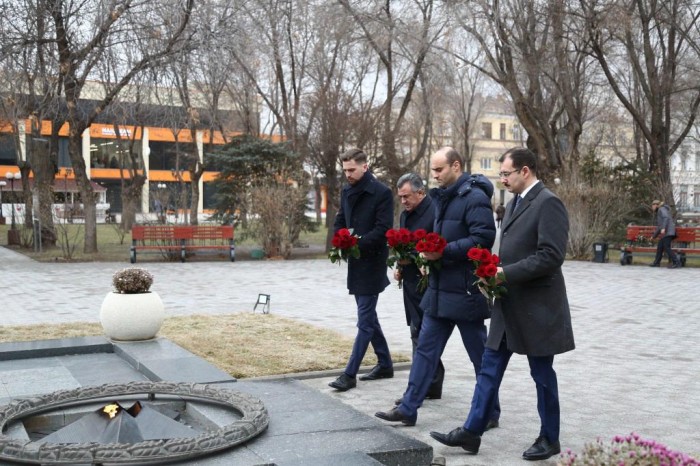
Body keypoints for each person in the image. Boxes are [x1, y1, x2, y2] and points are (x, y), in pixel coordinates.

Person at [429, 147, 575, 461]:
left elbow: (551, 256)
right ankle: (471, 432)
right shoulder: (513, 203)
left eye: (507, 173)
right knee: (489, 369)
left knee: (542, 374)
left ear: (525, 171)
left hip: (538, 307)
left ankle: (550, 438)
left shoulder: (548, 202)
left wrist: (504, 274)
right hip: (507, 303)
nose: (502, 179)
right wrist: (489, 271)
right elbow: (510, 249)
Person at [375, 147, 500, 427]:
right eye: (432, 170)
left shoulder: (475, 198)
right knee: (424, 351)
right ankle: (409, 407)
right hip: (439, 289)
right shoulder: (442, 197)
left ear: (456, 166)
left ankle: (490, 412)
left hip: (466, 291)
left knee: (480, 357)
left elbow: (483, 239)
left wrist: (443, 251)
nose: (433, 175)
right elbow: (439, 236)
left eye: (439, 169)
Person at [328, 148, 395, 391]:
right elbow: (340, 219)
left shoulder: (382, 192)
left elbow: (383, 229)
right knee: (368, 314)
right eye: (345, 170)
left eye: (352, 169)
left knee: (364, 320)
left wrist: (356, 243)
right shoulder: (347, 189)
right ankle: (385, 363)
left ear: (364, 166)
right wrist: (340, 239)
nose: (348, 174)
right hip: (356, 262)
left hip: (372, 262)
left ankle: (349, 374)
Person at [392, 173, 444, 399]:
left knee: (423, 334)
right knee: (417, 331)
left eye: (407, 196)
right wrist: (400, 265)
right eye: (400, 197)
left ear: (421, 192)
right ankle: (429, 383)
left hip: (429, 281)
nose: (403, 201)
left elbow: (436, 245)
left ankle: (422, 386)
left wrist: (415, 258)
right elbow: (403, 246)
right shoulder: (405, 216)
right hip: (411, 282)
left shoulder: (435, 212)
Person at [650, 200, 681, 268]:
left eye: (652, 205)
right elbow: (659, 227)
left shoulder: (662, 209)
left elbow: (666, 218)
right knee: (660, 247)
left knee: (667, 247)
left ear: (656, 205)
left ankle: (677, 263)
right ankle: (656, 263)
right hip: (666, 232)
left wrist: (663, 228)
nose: (652, 207)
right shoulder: (660, 210)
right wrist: (654, 236)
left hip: (668, 232)